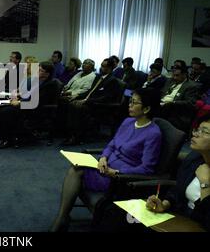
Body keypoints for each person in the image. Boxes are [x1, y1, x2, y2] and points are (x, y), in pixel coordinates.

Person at [50, 87, 162, 232]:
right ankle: (63, 216)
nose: (129, 105)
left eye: (134, 102)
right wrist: (103, 157)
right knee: (76, 167)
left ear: (146, 109)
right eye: (130, 101)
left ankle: (61, 219)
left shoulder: (153, 134)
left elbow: (146, 168)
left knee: (76, 172)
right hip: (104, 167)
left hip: (121, 179)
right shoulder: (128, 121)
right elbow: (112, 143)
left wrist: (116, 172)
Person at [145, 114, 210, 231]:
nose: (195, 134)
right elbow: (177, 190)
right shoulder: (195, 158)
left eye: (204, 132)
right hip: (183, 218)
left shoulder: (204, 174)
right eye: (197, 129)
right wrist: (164, 204)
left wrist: (205, 183)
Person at [0, 62, 62, 149]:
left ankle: (8, 140)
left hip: (36, 108)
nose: (38, 72)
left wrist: (19, 103)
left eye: (41, 70)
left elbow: (39, 101)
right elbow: (28, 93)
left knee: (6, 111)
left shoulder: (50, 84)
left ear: (47, 73)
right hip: (27, 103)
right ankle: (0, 133)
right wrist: (18, 97)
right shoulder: (38, 81)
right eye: (38, 69)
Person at [159, 66, 200, 132]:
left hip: (176, 112)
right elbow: (162, 93)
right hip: (162, 106)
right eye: (173, 75)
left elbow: (190, 103)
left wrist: (173, 103)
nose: (174, 77)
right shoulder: (170, 81)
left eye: (177, 75)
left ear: (184, 75)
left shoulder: (192, 86)